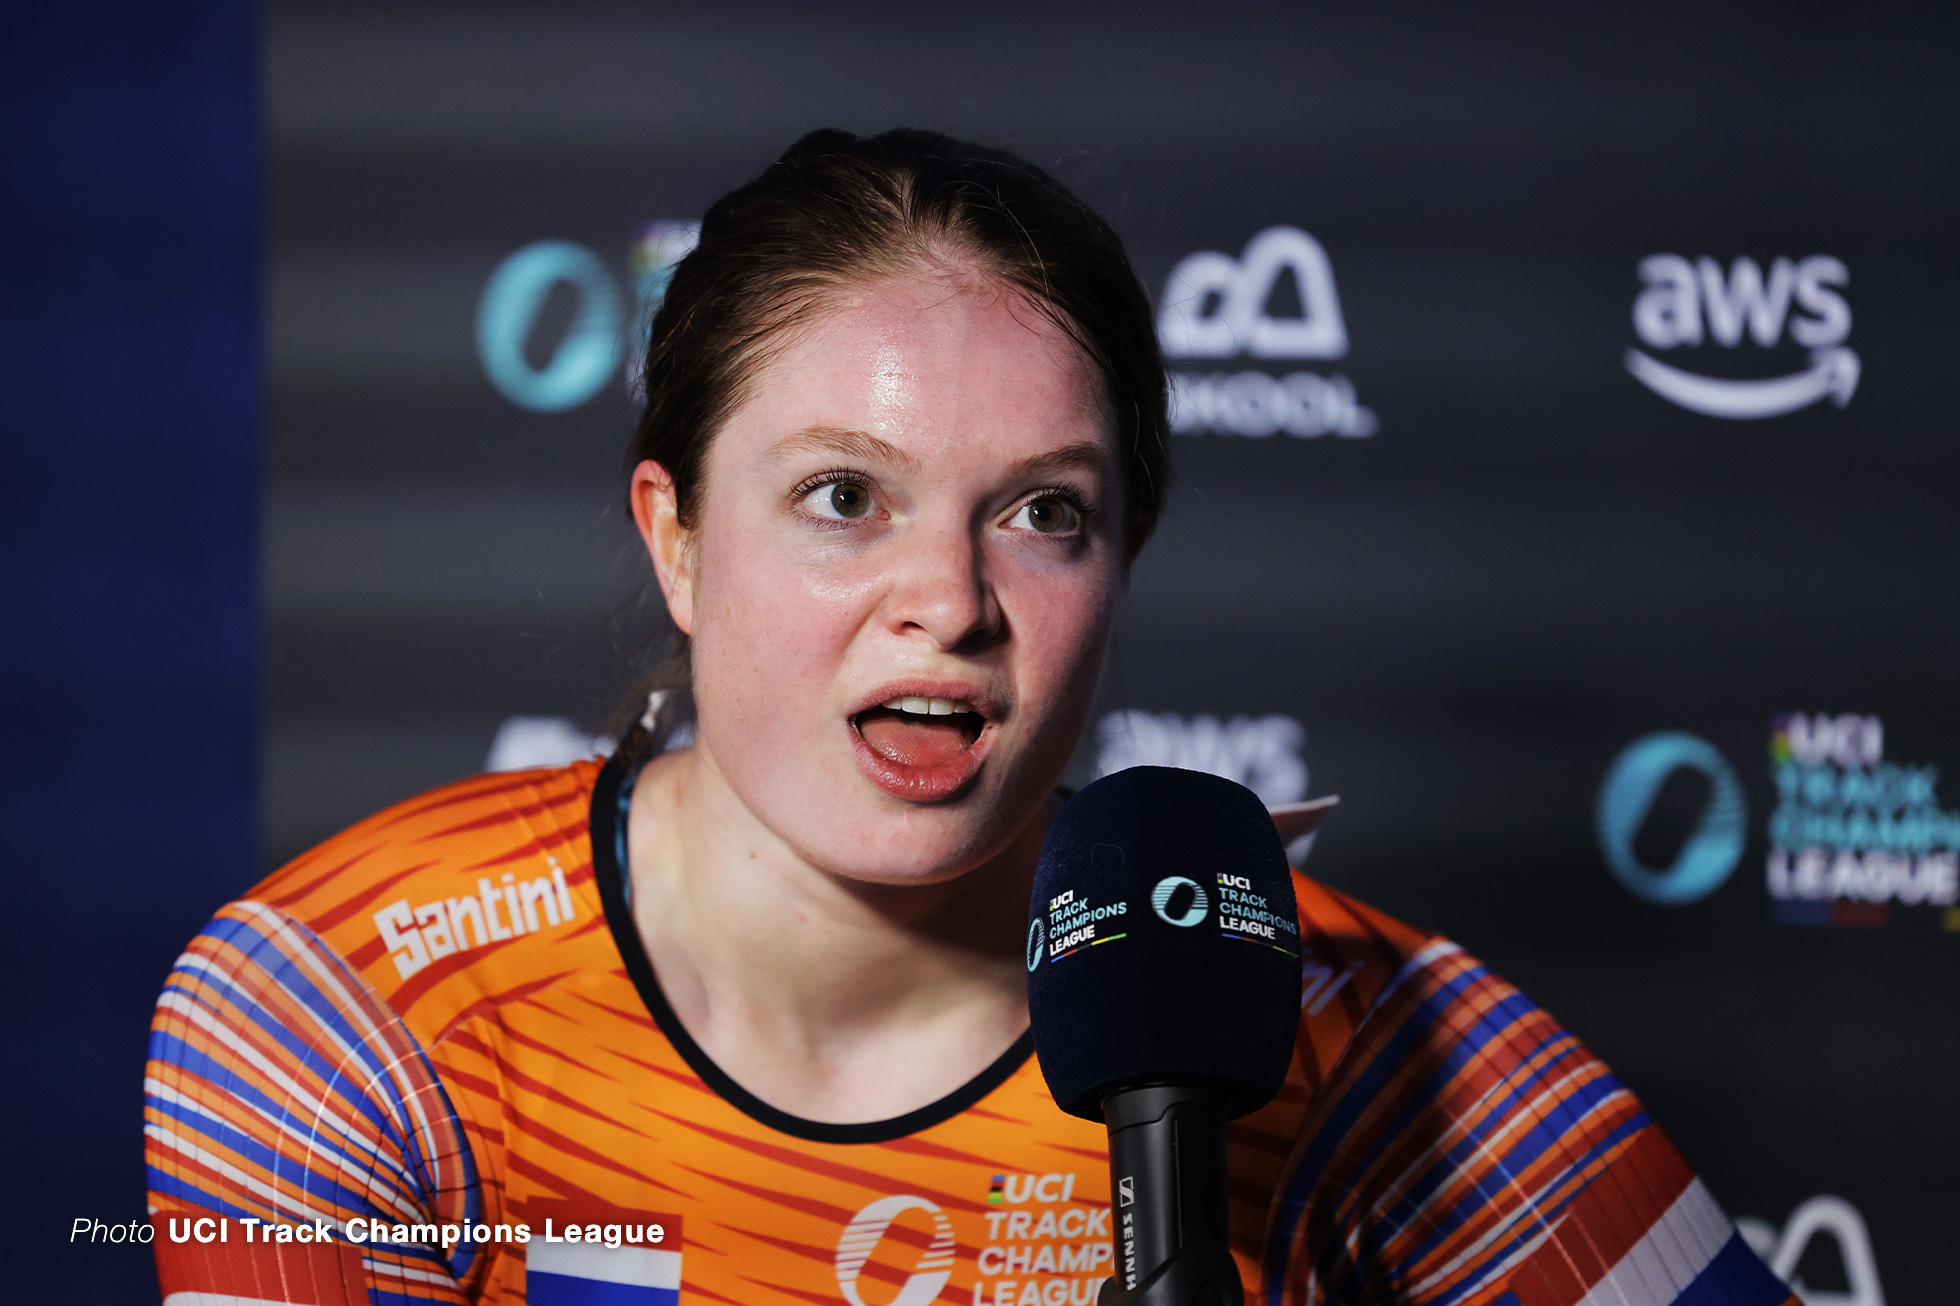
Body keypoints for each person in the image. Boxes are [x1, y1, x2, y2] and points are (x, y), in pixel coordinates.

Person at [145, 129, 1796, 1306]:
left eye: (1043, 512)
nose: (948, 596)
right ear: (676, 538)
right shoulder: (346, 1006)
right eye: (844, 495)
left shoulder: (1352, 1028)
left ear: (1124, 555)